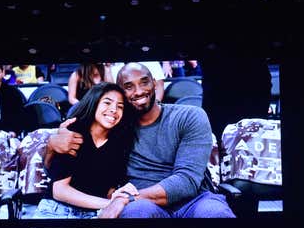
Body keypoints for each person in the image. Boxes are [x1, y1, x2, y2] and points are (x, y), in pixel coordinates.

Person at [48, 62, 235, 219]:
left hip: (194, 200)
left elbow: (186, 181)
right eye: (128, 86)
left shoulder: (189, 116)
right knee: (136, 214)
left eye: (144, 82)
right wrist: (51, 144)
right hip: (142, 204)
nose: (138, 91)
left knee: (215, 214)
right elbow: (84, 145)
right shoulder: (116, 125)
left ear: (155, 84)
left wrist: (123, 199)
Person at [33, 82, 138, 219]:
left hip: (94, 213)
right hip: (56, 209)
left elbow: (109, 188)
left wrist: (119, 196)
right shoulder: (73, 132)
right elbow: (59, 191)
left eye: (120, 106)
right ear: (94, 103)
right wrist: (111, 203)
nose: (114, 110)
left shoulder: (121, 141)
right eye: (107, 103)